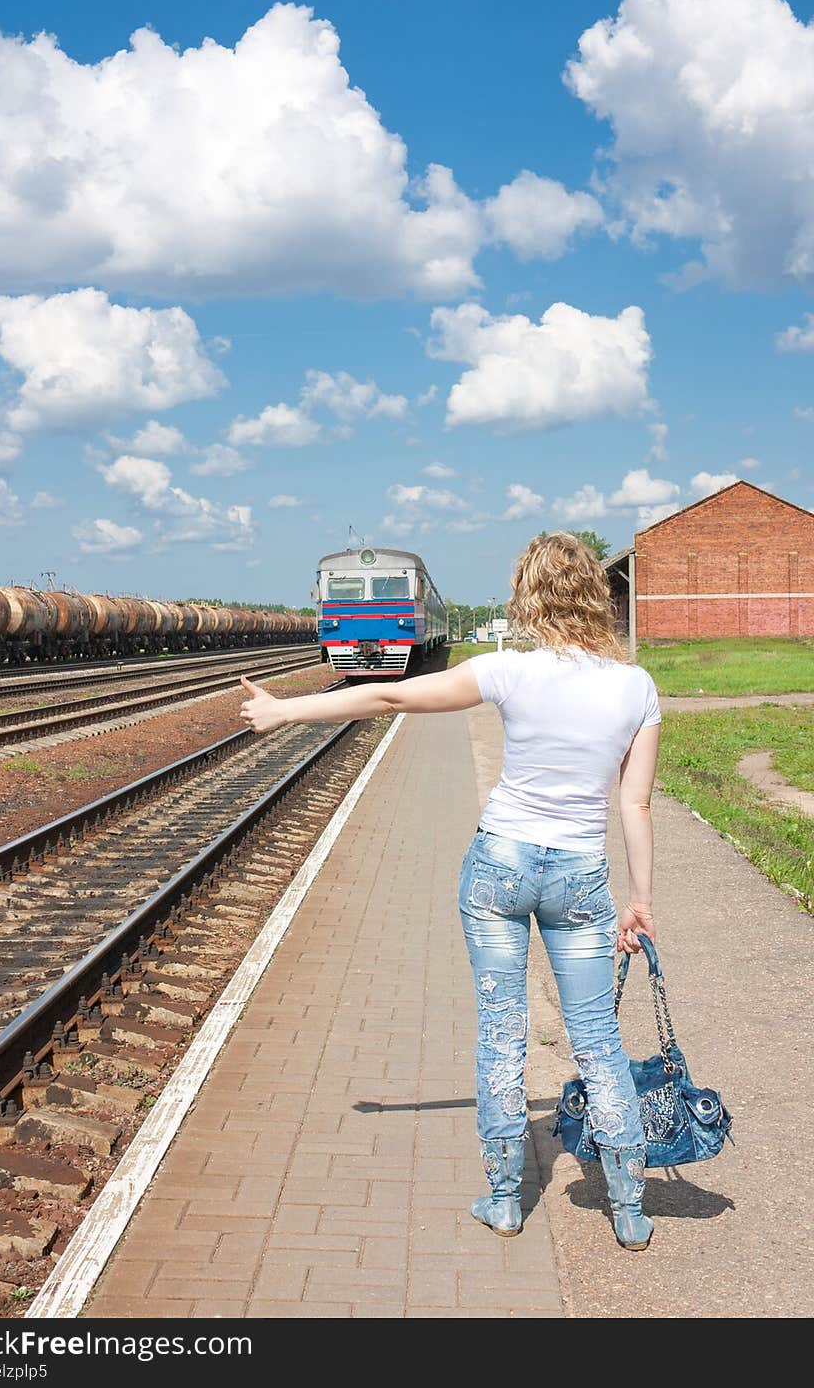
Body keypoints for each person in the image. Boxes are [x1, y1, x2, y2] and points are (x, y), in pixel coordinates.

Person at [239, 532, 660, 1251]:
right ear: (597, 594)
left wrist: (286, 711)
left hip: (498, 865)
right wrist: (641, 899)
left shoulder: (507, 671)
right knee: (598, 1043)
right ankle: (627, 1208)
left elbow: (391, 694)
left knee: (501, 1036)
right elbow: (635, 805)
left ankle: (503, 1200)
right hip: (579, 875)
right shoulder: (636, 687)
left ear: (527, 598)